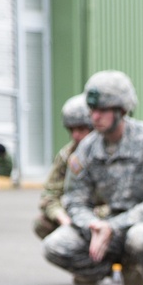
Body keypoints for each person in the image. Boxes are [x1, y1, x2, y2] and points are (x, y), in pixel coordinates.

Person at [42, 70, 143, 285]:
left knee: (140, 238)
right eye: (92, 110)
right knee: (56, 246)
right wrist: (94, 225)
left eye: (102, 110)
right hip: (111, 222)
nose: (95, 117)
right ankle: (127, 275)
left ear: (121, 110)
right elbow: (74, 199)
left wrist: (112, 226)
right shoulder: (88, 149)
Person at [34, 93, 96, 241]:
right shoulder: (68, 155)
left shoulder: (111, 152)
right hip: (76, 212)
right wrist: (62, 218)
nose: (76, 135)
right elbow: (50, 194)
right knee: (42, 223)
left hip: (105, 215)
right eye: (71, 130)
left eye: (81, 129)